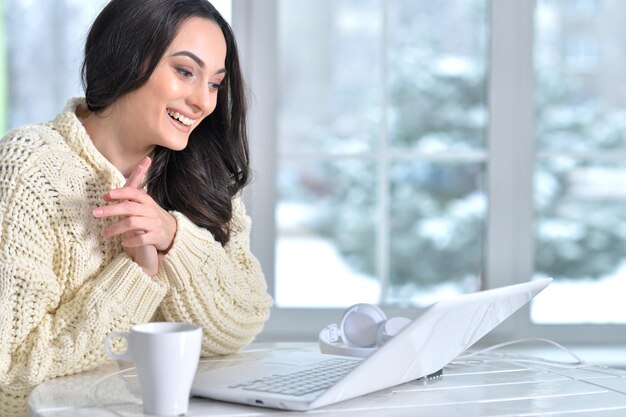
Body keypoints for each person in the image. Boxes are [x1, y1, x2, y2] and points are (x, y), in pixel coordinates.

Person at [0, 0, 273, 415]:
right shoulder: (30, 168)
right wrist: (136, 274)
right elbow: (10, 379)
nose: (204, 101)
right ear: (126, 56)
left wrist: (172, 240)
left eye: (215, 83)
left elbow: (241, 324)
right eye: (185, 72)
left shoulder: (203, 173)